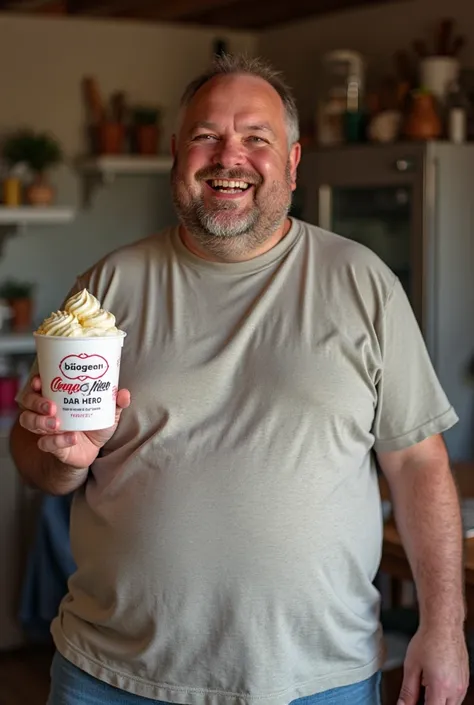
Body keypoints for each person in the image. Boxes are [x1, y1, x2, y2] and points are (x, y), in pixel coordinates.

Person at [10, 54, 469, 705]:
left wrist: (444, 627)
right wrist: (61, 460)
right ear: (178, 152)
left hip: (318, 678)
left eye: (256, 138)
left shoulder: (363, 283)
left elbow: (419, 463)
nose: (230, 157)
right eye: (207, 136)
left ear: (293, 159)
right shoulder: (105, 288)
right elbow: (40, 460)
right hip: (112, 676)